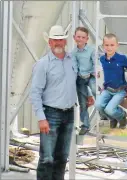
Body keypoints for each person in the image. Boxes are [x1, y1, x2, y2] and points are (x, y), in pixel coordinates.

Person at [30, 25, 77, 180]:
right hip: (50, 114)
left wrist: (88, 96)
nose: (58, 43)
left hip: (69, 113)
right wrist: (41, 118)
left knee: (62, 157)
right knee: (47, 158)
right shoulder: (43, 64)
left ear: (65, 41)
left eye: (61, 40)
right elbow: (35, 92)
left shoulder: (72, 60)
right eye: (55, 40)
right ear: (49, 42)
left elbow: (79, 82)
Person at [95, 33, 127, 129]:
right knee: (98, 105)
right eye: (106, 45)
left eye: (112, 45)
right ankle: (112, 119)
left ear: (117, 46)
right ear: (103, 46)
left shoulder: (122, 59)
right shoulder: (102, 59)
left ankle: (122, 116)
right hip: (107, 89)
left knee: (110, 109)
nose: (109, 48)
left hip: (120, 91)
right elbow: (101, 73)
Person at [72, 26, 98, 135]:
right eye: (78, 37)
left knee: (96, 92)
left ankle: (105, 113)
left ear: (87, 39)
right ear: (74, 37)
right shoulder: (74, 52)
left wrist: (95, 72)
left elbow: (95, 62)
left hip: (91, 75)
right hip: (80, 78)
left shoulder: (92, 50)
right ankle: (85, 125)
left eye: (83, 37)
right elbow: (74, 66)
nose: (80, 39)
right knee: (83, 103)